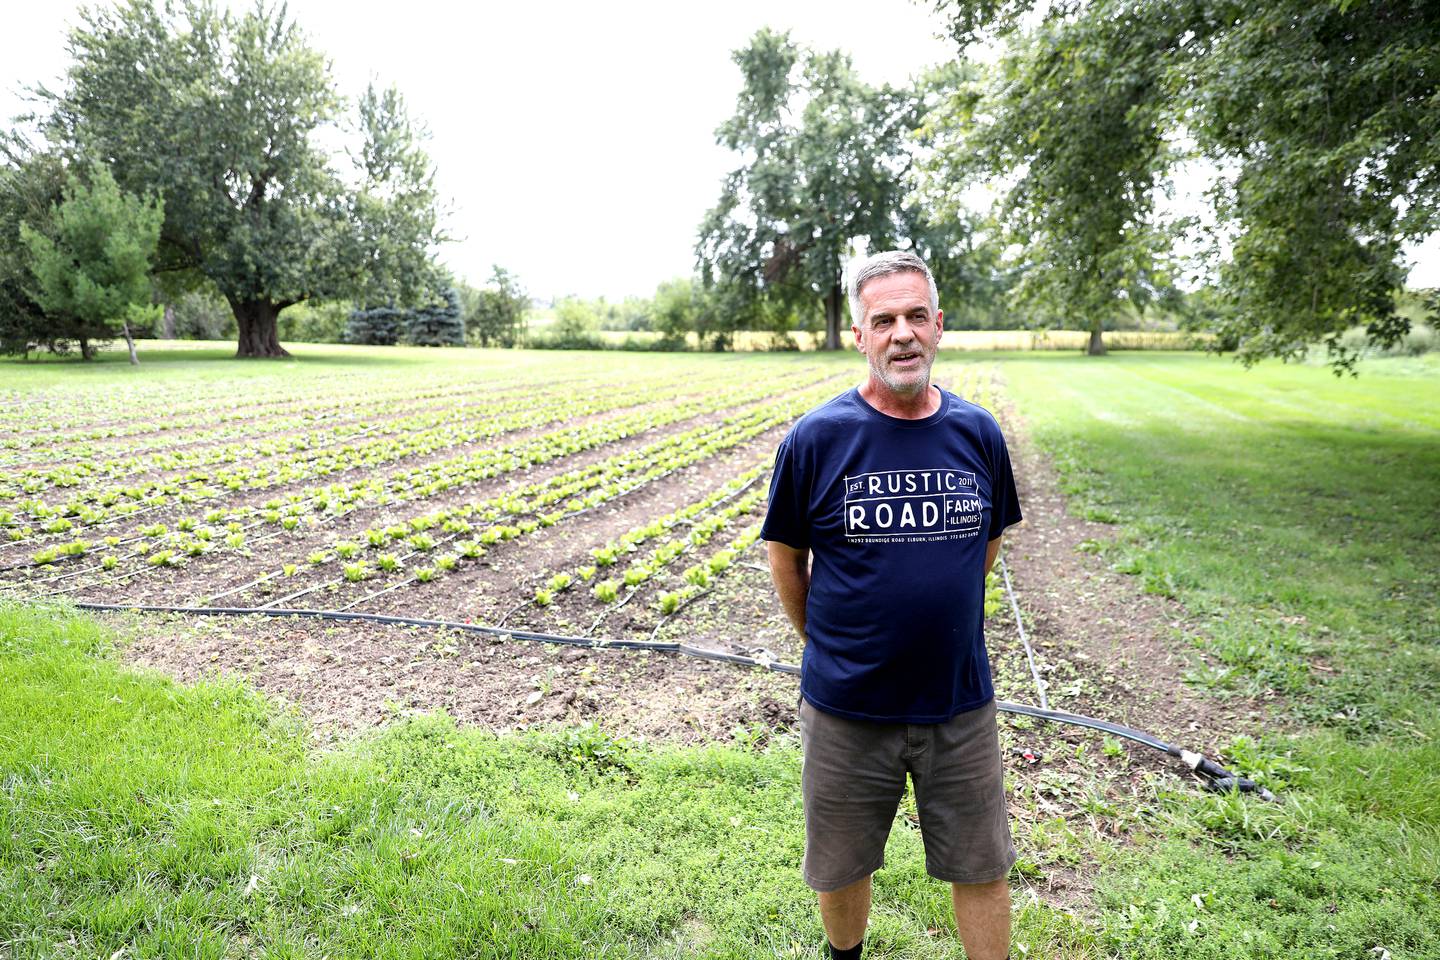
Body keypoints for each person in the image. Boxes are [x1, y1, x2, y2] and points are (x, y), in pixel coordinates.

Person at [762, 250, 1021, 960]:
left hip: (959, 703)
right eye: (884, 320)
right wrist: (826, 640)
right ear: (860, 335)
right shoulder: (817, 439)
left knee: (982, 864)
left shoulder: (978, 434)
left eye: (915, 316)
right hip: (847, 706)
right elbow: (786, 557)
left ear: (938, 326)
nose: (901, 333)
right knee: (843, 864)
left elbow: (986, 544)